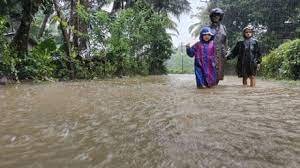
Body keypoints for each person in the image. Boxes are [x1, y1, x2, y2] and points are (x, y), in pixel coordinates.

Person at [209, 8, 228, 83]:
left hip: (221, 52)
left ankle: (215, 89)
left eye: (218, 15)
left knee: (219, 73)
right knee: (210, 72)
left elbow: (226, 40)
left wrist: (226, 51)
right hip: (211, 52)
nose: (216, 17)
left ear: (220, 17)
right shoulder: (208, 28)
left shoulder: (223, 27)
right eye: (214, 15)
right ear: (211, 17)